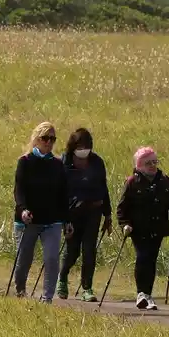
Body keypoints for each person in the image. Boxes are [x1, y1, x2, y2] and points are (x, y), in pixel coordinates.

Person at [116, 147, 169, 310]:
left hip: (158, 227)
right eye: (148, 163)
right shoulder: (132, 182)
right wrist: (125, 224)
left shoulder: (164, 180)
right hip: (138, 229)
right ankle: (141, 293)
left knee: (151, 259)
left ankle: (147, 295)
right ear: (139, 165)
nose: (152, 166)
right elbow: (121, 208)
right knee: (143, 257)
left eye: (154, 162)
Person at [12, 121, 71, 302]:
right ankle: (20, 291)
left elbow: (63, 195)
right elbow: (19, 190)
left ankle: (47, 299)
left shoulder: (57, 165)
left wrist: (67, 220)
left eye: (52, 139)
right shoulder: (25, 162)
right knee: (24, 261)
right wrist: (23, 210)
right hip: (28, 220)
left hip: (52, 221)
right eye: (45, 138)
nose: (49, 142)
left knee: (52, 259)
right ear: (36, 139)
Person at [58, 128, 111, 301]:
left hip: (93, 212)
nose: (84, 149)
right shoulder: (64, 163)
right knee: (72, 251)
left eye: (87, 146)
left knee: (89, 251)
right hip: (72, 214)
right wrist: (64, 219)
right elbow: (59, 192)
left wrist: (108, 215)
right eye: (81, 146)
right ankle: (62, 278)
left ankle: (87, 287)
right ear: (73, 146)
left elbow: (104, 189)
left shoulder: (97, 162)